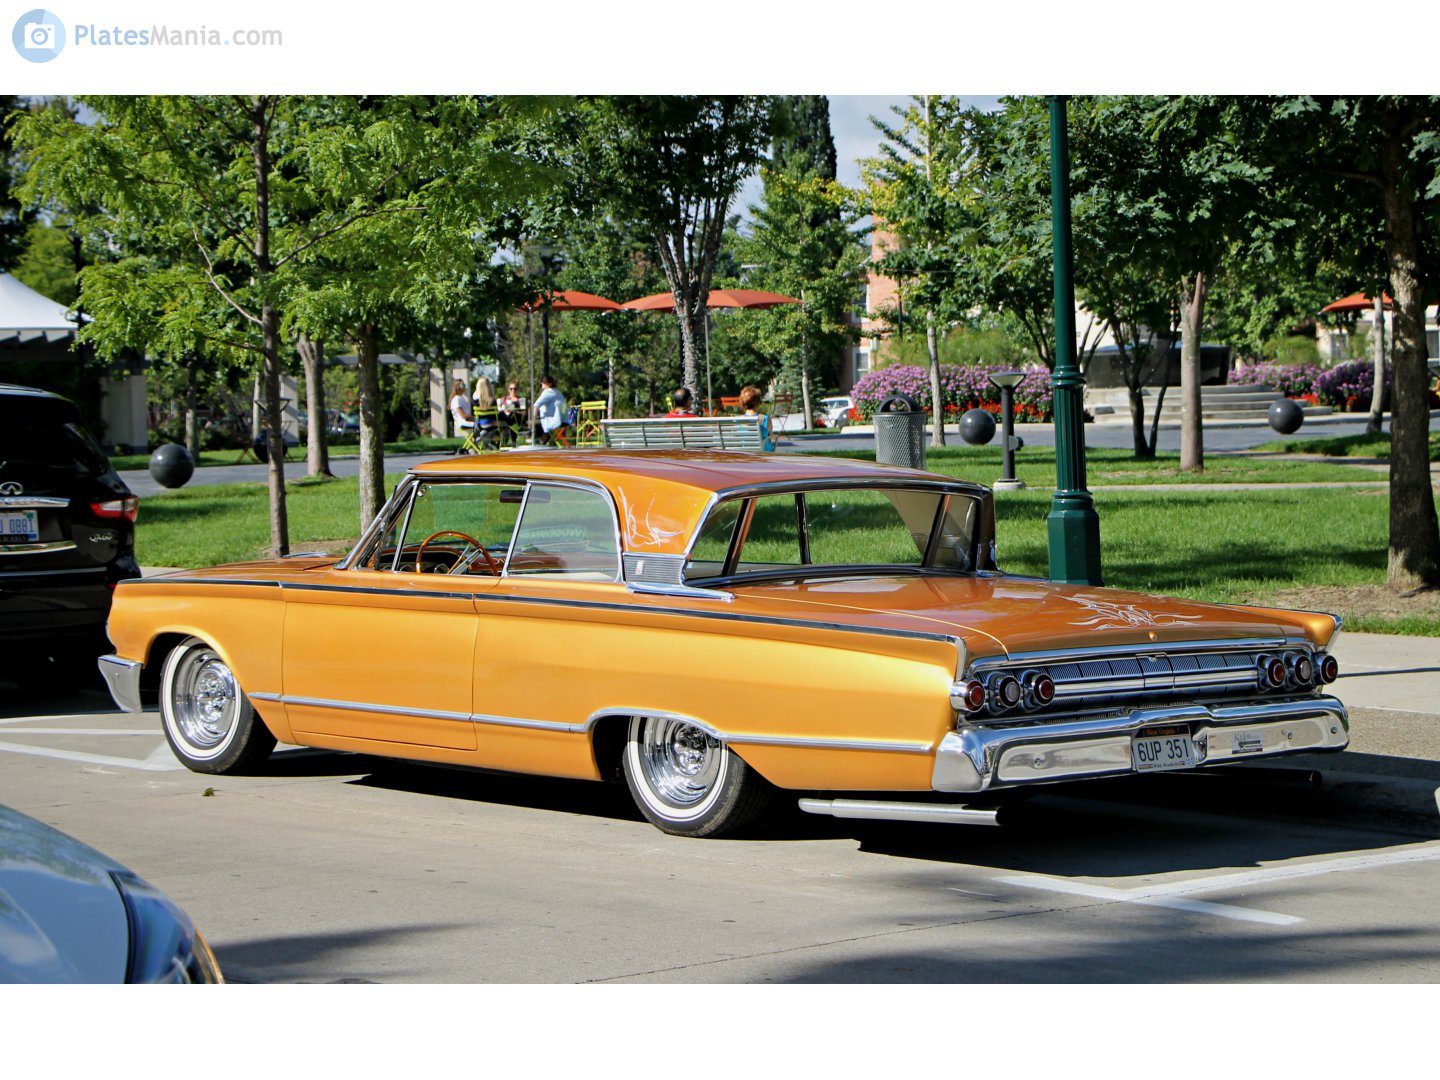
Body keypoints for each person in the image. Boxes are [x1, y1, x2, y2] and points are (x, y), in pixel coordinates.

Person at [532, 374, 568, 445]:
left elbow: (536, 405)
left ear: (549, 384)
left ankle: (543, 440)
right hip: (564, 419)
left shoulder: (548, 392)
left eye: (544, 382)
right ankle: (546, 440)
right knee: (539, 426)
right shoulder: (557, 391)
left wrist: (534, 417)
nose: (542, 383)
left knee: (535, 426)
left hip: (554, 421)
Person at [738, 385, 776, 451]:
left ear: (743, 403)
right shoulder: (765, 419)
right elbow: (771, 437)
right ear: (757, 403)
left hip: (745, 455)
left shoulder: (737, 420)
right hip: (764, 456)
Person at [472, 376, 499, 450]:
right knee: (504, 423)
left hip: (479, 424)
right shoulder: (492, 400)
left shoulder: (475, 399)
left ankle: (481, 440)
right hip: (491, 424)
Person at [497, 379, 524, 446]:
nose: (513, 391)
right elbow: (499, 407)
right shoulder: (504, 398)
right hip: (505, 418)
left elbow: (523, 412)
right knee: (500, 415)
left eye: (515, 389)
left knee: (511, 417)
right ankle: (501, 441)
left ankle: (512, 441)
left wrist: (512, 407)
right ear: (508, 390)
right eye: (511, 389)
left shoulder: (521, 400)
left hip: (516, 418)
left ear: (518, 389)